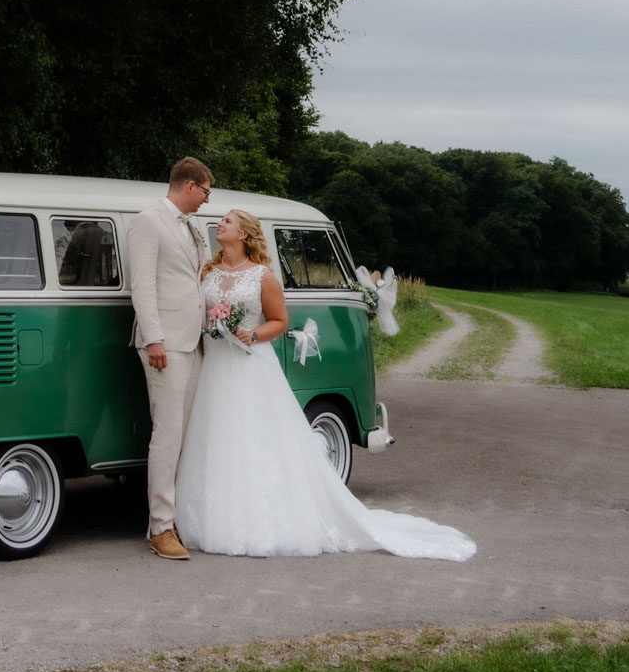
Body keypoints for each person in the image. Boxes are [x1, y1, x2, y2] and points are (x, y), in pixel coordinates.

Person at [174, 209, 476, 561]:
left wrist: (252, 333)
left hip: (248, 364)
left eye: (227, 221)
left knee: (252, 437)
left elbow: (279, 321)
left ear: (243, 235)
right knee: (216, 437)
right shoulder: (208, 272)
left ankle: (253, 519)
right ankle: (210, 518)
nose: (220, 225)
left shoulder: (262, 277)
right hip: (216, 365)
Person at [127, 157, 213, 559]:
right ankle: (160, 527)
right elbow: (142, 287)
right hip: (165, 345)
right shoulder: (149, 221)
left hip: (193, 342)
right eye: (206, 192)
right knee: (167, 433)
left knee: (185, 433)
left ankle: (176, 518)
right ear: (190, 185)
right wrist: (154, 338)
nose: (206, 201)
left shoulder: (190, 228)